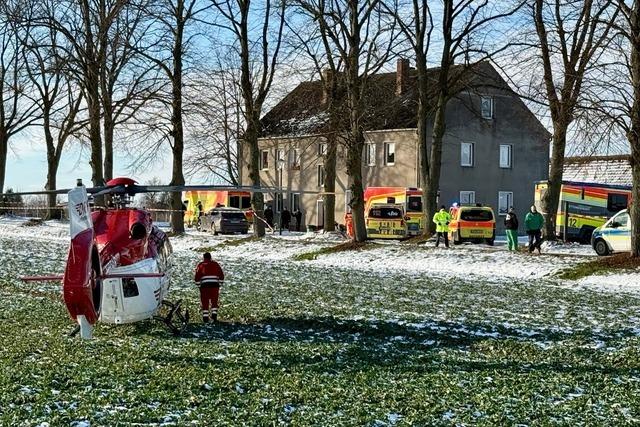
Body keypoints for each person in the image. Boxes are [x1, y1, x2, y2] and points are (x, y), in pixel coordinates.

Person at [194, 252, 224, 323]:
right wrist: (220, 283)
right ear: (210, 257)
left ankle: (205, 317)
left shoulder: (201, 265)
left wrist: (199, 285)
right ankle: (214, 315)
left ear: (204, 258)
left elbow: (197, 276)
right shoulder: (216, 264)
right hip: (215, 285)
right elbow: (221, 274)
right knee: (214, 301)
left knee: (205, 301)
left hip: (205, 286)